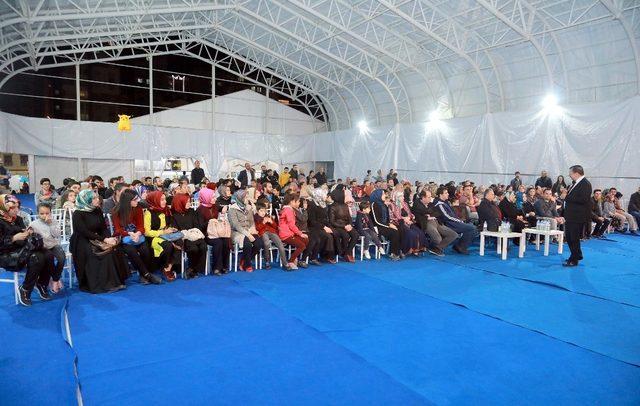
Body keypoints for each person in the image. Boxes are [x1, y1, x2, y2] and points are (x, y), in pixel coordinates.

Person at [0, 195, 56, 306]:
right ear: (3, 207)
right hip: (5, 254)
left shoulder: (18, 219)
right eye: (12, 207)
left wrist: (28, 233)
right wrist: (13, 238)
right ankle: (25, 288)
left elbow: (23, 234)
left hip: (21, 249)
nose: (16, 210)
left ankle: (41, 284)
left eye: (17, 206)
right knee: (37, 258)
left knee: (49, 255)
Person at [70, 190, 128, 293]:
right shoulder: (78, 213)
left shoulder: (97, 210)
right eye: (94, 198)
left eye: (97, 197)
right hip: (82, 241)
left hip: (97, 237)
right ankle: (103, 284)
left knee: (114, 248)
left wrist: (109, 239)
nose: (98, 200)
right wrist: (104, 239)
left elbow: (103, 228)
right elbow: (83, 232)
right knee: (95, 253)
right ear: (87, 200)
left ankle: (116, 281)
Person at [112, 189, 162, 285]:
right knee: (132, 251)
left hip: (137, 235)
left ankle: (143, 275)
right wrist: (130, 234)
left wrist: (138, 233)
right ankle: (147, 274)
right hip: (124, 237)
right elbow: (118, 230)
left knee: (145, 250)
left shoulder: (138, 208)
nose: (137, 201)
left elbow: (141, 226)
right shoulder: (116, 211)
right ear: (127, 201)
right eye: (134, 199)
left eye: (137, 199)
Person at [29, 203, 67, 294]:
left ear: (50, 213)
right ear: (38, 213)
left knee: (62, 258)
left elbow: (57, 235)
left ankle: (55, 279)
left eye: (47, 213)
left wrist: (51, 224)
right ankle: (54, 280)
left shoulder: (54, 221)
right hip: (42, 247)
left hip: (53, 245)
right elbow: (31, 238)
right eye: (42, 213)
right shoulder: (33, 224)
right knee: (49, 260)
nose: (44, 216)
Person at [143, 191, 180, 282]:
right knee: (168, 245)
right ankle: (164, 266)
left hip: (166, 235)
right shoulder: (148, 213)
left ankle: (168, 267)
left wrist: (171, 229)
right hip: (153, 238)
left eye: (165, 199)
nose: (165, 202)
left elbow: (166, 225)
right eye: (162, 200)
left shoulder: (166, 210)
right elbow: (147, 232)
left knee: (180, 242)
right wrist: (163, 232)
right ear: (155, 200)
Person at [433, 187, 478, 255]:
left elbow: (452, 214)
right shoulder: (439, 204)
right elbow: (447, 216)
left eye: (447, 193)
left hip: (453, 222)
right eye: (446, 193)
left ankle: (460, 246)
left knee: (472, 227)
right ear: (440, 195)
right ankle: (460, 246)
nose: (448, 194)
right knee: (472, 228)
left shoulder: (445, 202)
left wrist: (458, 220)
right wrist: (459, 221)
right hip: (449, 224)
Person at [562, 165, 592, 267]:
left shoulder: (585, 184)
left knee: (573, 238)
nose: (569, 175)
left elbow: (583, 200)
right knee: (570, 238)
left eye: (570, 173)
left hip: (577, 216)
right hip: (571, 215)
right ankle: (575, 255)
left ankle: (574, 259)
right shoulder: (575, 183)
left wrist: (567, 197)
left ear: (576, 173)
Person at [171, 194, 207, 279]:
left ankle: (193, 269)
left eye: (189, 201)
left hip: (193, 235)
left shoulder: (191, 212)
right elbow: (175, 230)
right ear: (180, 202)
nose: (189, 203)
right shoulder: (173, 215)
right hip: (183, 238)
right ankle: (192, 269)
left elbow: (197, 225)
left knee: (203, 246)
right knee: (193, 248)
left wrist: (192, 232)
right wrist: (186, 234)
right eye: (187, 202)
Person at [412, 190, 457, 256]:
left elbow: (437, 213)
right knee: (438, 239)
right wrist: (428, 215)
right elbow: (422, 213)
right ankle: (433, 247)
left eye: (430, 197)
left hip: (436, 221)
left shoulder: (430, 203)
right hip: (426, 223)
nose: (431, 199)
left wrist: (430, 214)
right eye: (429, 197)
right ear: (423, 197)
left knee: (453, 235)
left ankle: (437, 248)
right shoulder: (417, 204)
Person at [228, 190, 263, 272]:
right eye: (246, 197)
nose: (248, 198)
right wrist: (248, 234)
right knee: (247, 243)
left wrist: (253, 228)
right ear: (240, 198)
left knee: (259, 243)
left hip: (248, 230)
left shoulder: (248, 207)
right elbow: (235, 225)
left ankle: (244, 260)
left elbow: (251, 222)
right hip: (237, 232)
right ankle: (247, 265)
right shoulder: (232, 209)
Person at [388, 190, 428, 256]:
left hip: (409, 222)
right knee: (411, 233)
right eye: (401, 196)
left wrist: (411, 216)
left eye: (403, 196)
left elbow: (409, 213)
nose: (403, 198)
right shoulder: (391, 205)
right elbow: (391, 217)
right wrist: (404, 219)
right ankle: (406, 250)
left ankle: (417, 249)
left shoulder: (405, 204)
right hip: (399, 223)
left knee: (420, 232)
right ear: (396, 197)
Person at [278, 193, 309, 269]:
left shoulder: (288, 209)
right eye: (298, 201)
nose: (299, 203)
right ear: (291, 202)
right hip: (286, 235)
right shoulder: (288, 210)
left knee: (306, 240)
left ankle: (295, 258)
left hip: (290, 233)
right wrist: (300, 233)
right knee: (302, 245)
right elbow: (291, 225)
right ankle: (291, 261)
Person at [255, 203, 289, 270]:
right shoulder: (255, 217)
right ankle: (267, 261)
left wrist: (271, 222)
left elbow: (276, 227)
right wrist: (263, 223)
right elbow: (257, 229)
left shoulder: (268, 216)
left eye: (264, 211)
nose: (263, 213)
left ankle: (285, 263)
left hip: (271, 232)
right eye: (261, 211)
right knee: (267, 243)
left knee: (280, 244)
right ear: (257, 211)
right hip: (263, 233)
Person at [369, 189, 402, 260]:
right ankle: (393, 253)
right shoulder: (374, 204)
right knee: (394, 232)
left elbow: (387, 218)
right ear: (378, 195)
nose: (385, 195)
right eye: (383, 194)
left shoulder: (384, 205)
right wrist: (389, 225)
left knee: (401, 229)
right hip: (377, 227)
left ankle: (399, 250)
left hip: (385, 225)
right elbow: (376, 220)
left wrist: (390, 224)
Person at [328, 188, 359, 262]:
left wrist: (350, 225)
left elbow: (349, 217)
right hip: (337, 226)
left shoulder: (345, 205)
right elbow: (332, 221)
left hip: (346, 225)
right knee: (346, 236)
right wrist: (344, 226)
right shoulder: (332, 207)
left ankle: (347, 252)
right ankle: (342, 252)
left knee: (355, 235)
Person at [307, 187, 336, 263]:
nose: (326, 196)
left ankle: (325, 254)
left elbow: (325, 219)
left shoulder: (323, 204)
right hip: (313, 227)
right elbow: (312, 221)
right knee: (328, 236)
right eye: (324, 194)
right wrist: (324, 227)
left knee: (334, 233)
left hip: (322, 226)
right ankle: (323, 256)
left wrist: (329, 227)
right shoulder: (312, 205)